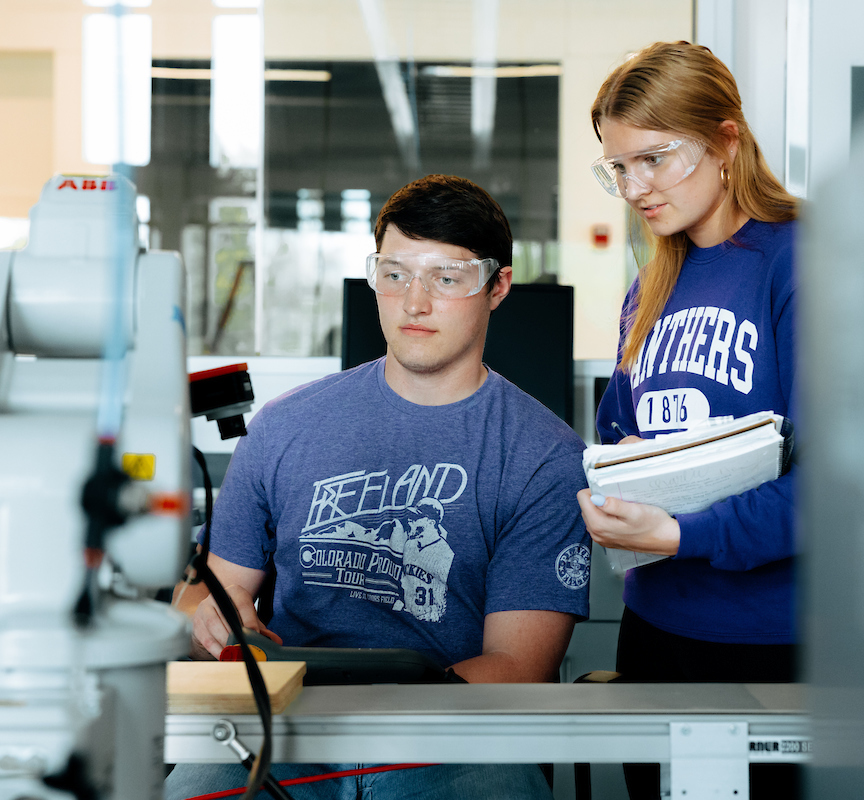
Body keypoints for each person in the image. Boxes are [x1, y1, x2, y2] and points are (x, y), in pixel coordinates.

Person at [168, 174, 591, 800]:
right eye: (394, 274)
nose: (413, 303)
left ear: (496, 287)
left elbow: (518, 667)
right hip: (283, 735)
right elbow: (210, 591)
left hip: (452, 742)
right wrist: (213, 622)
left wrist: (372, 724)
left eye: (446, 278)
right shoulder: (285, 427)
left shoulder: (544, 458)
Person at [576, 42, 800, 800]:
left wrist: (680, 533)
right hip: (658, 633)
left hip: (771, 645)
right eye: (618, 168)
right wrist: (623, 472)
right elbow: (616, 434)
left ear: (726, 140)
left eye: (655, 158)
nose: (635, 187)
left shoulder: (796, 261)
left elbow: (838, 485)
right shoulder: (649, 287)